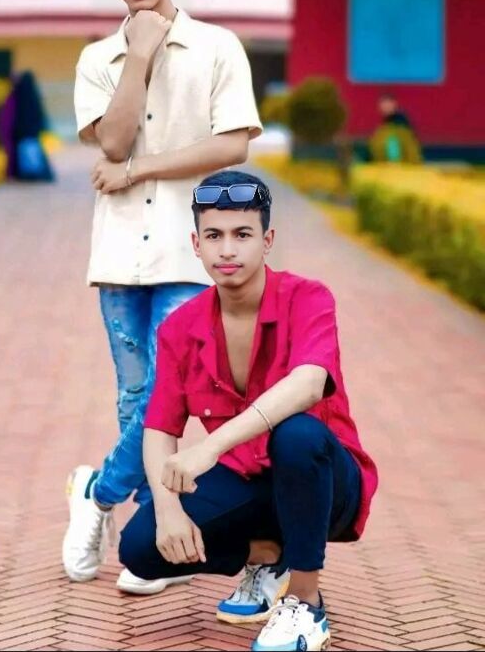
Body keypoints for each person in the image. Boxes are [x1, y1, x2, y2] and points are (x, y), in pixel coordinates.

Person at [64, 0, 262, 591]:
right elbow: (113, 141)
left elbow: (233, 144)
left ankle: (98, 492)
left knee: (170, 390)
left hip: (191, 251)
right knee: (134, 397)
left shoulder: (217, 48)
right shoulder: (97, 60)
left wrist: (140, 170)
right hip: (119, 252)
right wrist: (141, 53)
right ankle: (149, 539)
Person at [119, 170, 378, 652]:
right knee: (140, 547)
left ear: (267, 240)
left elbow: (309, 383)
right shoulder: (180, 328)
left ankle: (306, 603)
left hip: (324, 482)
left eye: (242, 235)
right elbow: (159, 427)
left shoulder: (308, 297)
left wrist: (211, 447)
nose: (227, 250)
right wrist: (169, 509)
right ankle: (267, 555)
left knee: (297, 434)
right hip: (249, 479)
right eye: (214, 236)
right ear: (196, 244)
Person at [0, 70, 55, 182]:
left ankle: (29, 174)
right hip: (30, 134)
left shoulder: (20, 97)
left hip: (25, 134)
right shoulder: (30, 96)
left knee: (28, 156)